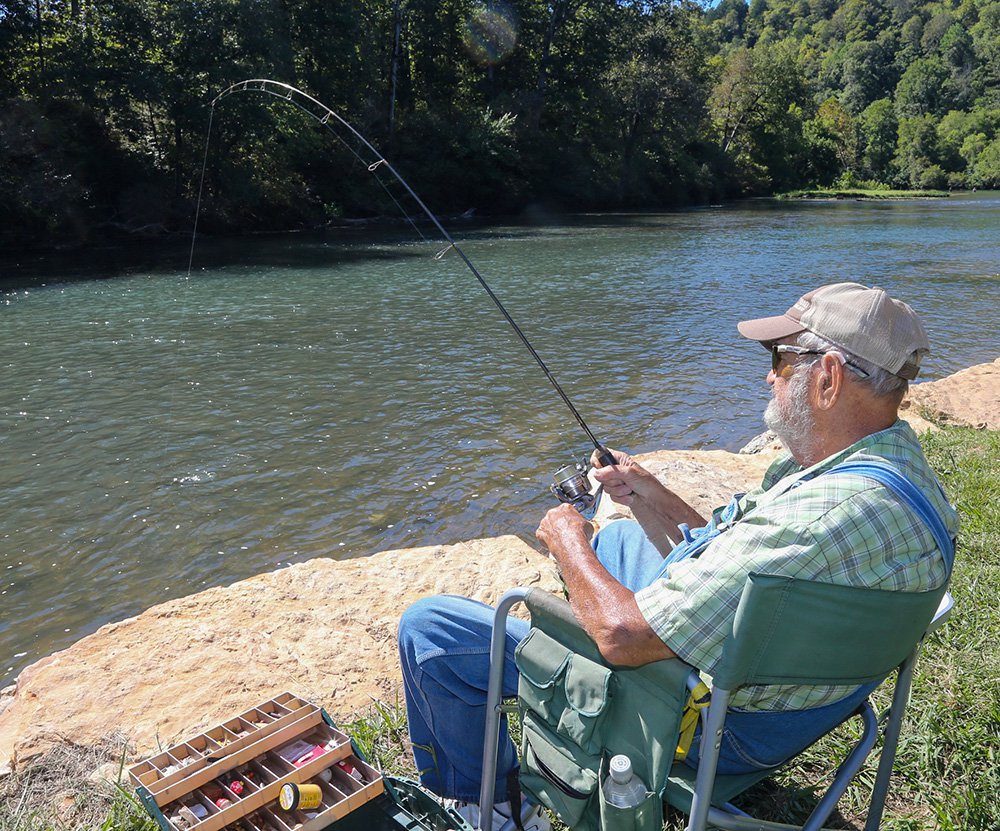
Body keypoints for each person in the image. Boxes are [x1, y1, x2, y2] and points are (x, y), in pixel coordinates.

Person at [396, 283, 958, 828]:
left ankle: (486, 807)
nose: (769, 376)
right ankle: (572, 687)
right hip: (807, 704)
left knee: (431, 630)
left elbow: (624, 636)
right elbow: (733, 545)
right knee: (617, 542)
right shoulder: (893, 476)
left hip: (717, 731)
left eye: (781, 361)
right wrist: (650, 493)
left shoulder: (816, 516)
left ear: (829, 377)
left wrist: (567, 538)